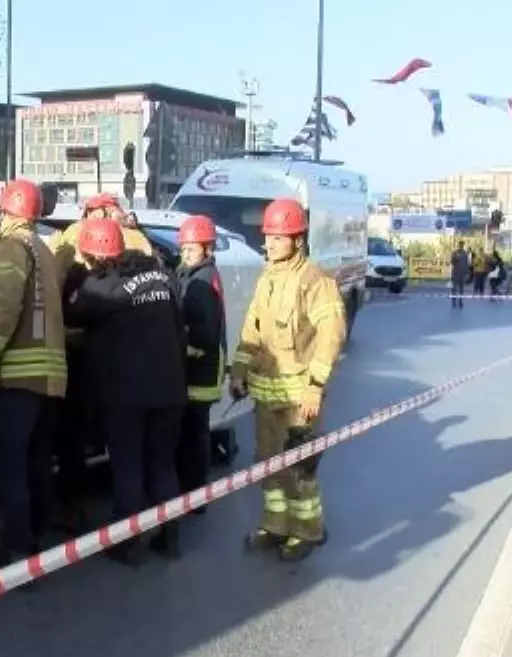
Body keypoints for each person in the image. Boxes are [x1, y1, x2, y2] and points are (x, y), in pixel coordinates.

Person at [229, 197, 347, 562]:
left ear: (298, 239)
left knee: (299, 468)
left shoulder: (314, 280)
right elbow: (253, 329)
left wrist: (315, 387)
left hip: (300, 398)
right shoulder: (268, 277)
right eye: (268, 237)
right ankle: (275, 524)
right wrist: (239, 370)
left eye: (278, 237)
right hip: (267, 394)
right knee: (267, 462)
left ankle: (307, 530)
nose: (270, 243)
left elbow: (331, 334)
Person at [64, 217, 187, 564]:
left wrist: (75, 276)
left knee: (128, 466)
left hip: (126, 396)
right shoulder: (164, 278)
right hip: (170, 391)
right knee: (163, 464)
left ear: (92, 256)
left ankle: (127, 543)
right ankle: (170, 535)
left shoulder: (101, 289)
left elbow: (69, 314)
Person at [0, 177, 68, 572]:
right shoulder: (43, 249)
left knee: (11, 466)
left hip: (17, 376)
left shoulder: (10, 248)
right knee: (36, 463)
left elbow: (2, 309)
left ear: (5, 210)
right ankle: (34, 538)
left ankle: (17, 554)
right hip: (51, 378)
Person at [175, 216, 227, 509]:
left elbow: (205, 335)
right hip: (198, 369)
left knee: (194, 435)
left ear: (207, 249)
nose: (185, 254)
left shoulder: (202, 281)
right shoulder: (191, 273)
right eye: (183, 248)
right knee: (193, 432)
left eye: (191, 249)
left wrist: (181, 347)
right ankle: (193, 490)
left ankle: (195, 493)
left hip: (200, 371)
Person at [449, 240, 471, 308]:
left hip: (463, 273)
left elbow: (467, 264)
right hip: (455, 273)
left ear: (463, 245)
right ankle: (454, 301)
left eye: (462, 245)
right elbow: (452, 262)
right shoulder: (454, 253)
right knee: (454, 288)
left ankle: (460, 301)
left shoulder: (465, 254)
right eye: (460, 245)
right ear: (458, 245)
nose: (461, 246)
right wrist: (456, 258)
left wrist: (467, 273)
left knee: (461, 288)